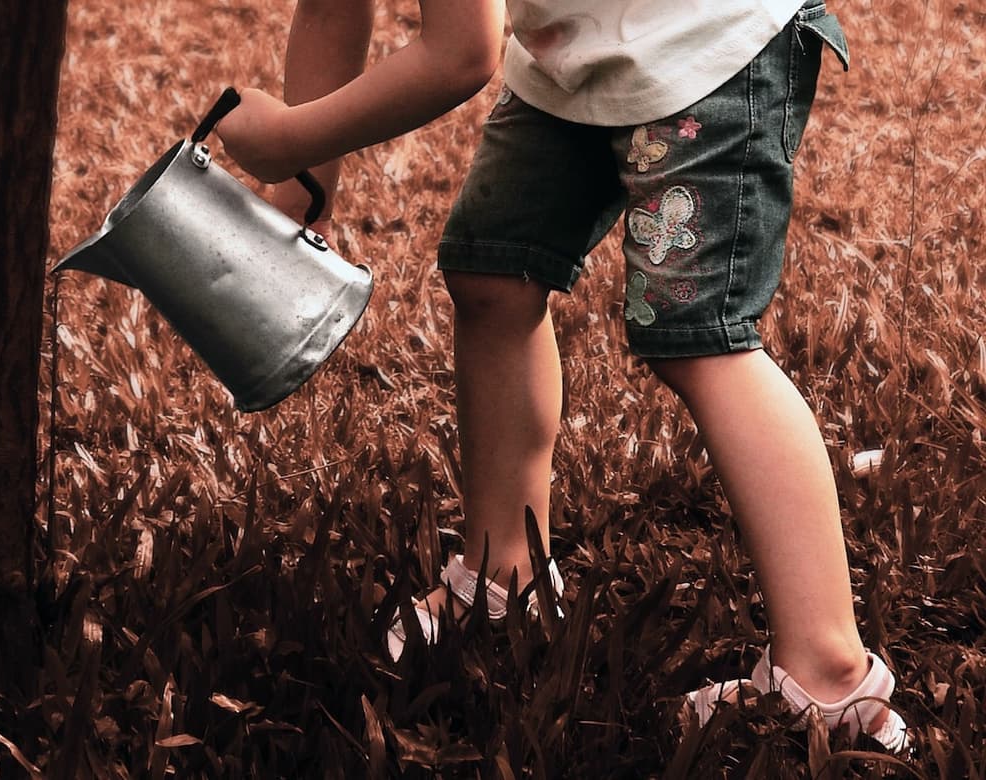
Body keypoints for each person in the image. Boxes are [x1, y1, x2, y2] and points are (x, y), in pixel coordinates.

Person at [214, 0, 910, 753]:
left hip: (708, 46)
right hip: (575, 52)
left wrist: (288, 135)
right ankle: (500, 576)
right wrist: (299, 190)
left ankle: (833, 678)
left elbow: (459, 53)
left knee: (698, 337)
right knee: (494, 273)